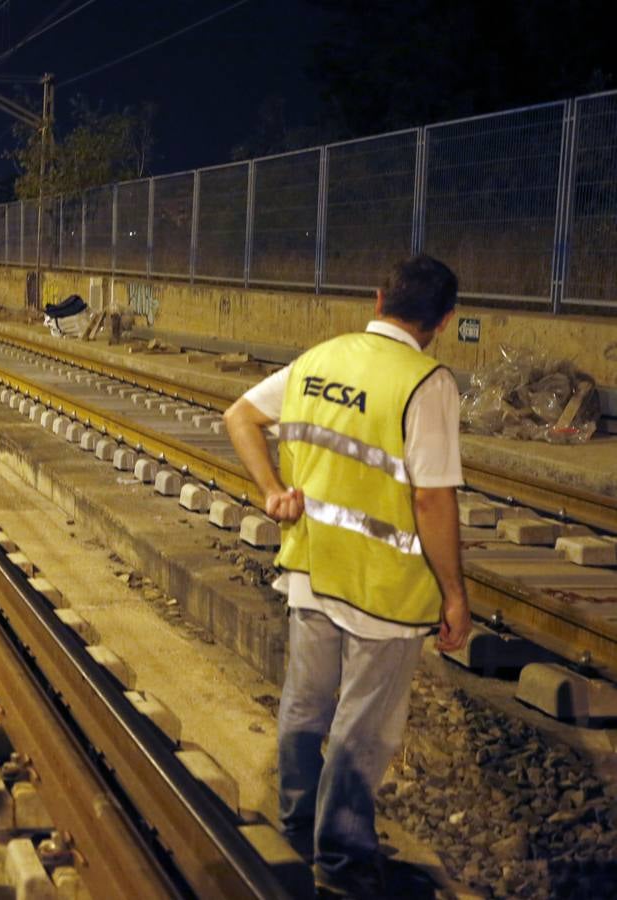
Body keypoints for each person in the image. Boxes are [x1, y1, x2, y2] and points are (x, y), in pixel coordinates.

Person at [223, 254, 472, 897]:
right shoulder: (426, 383)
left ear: (377, 296)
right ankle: (341, 865)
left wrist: (272, 491)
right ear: (443, 320)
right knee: (364, 727)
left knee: (305, 708)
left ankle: (297, 829)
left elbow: (239, 417)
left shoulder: (319, 360)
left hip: (313, 570)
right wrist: (454, 593)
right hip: (386, 590)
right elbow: (431, 500)